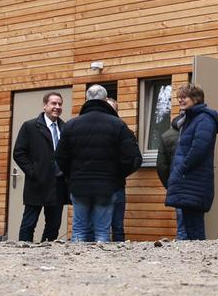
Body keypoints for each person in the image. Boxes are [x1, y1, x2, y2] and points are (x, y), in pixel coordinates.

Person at [56, 85, 141, 242]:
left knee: (79, 230)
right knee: (102, 231)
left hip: (79, 184)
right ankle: (102, 265)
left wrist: (71, 176)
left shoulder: (71, 125)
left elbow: (61, 157)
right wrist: (116, 176)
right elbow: (133, 158)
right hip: (107, 186)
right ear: (105, 99)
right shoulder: (118, 125)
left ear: (86, 99)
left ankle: (77, 264)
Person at [165, 83, 218, 241]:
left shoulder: (204, 119)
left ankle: (200, 259)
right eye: (179, 97)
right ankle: (191, 260)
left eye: (184, 97)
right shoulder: (191, 119)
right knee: (189, 223)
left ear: (196, 99)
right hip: (188, 178)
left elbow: (199, 149)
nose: (180, 100)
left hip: (193, 178)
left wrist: (182, 168)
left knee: (195, 226)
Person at [12, 91, 69, 242]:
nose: (57, 107)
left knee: (54, 225)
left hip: (58, 184)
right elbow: (19, 153)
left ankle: (46, 251)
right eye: (53, 103)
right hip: (37, 183)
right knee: (29, 223)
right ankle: (24, 251)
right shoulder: (30, 126)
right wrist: (33, 172)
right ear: (45, 106)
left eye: (60, 104)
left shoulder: (65, 128)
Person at [106, 97, 128, 242]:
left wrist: (121, 171)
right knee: (100, 224)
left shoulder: (123, 129)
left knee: (118, 225)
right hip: (99, 183)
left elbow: (132, 157)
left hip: (117, 184)